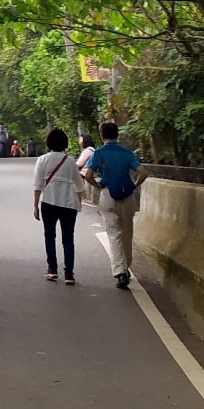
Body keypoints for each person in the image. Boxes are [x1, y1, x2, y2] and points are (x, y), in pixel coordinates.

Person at [81, 121, 144, 288]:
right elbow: (143, 173)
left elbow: (88, 175)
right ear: (117, 134)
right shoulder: (127, 152)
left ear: (102, 135)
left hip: (108, 194)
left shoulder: (99, 153)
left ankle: (120, 272)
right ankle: (127, 266)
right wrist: (134, 185)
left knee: (113, 233)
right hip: (128, 195)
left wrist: (98, 186)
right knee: (127, 232)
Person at [31, 127, 82, 284]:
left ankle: (52, 269)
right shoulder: (71, 161)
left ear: (49, 143)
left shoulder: (42, 160)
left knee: (49, 236)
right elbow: (80, 186)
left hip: (49, 202)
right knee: (68, 239)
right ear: (65, 144)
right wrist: (78, 203)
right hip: (68, 204)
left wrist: (35, 205)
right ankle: (69, 274)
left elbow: (38, 185)